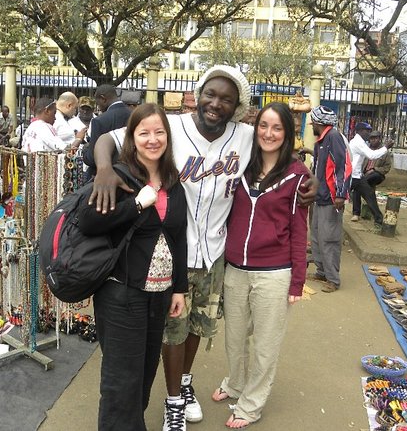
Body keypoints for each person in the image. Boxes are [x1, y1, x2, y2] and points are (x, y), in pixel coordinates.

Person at [90, 65, 317, 431]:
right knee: (172, 330)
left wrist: (313, 180)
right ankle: (173, 401)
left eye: (226, 99)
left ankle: (183, 384)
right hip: (170, 252)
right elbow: (108, 140)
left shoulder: (244, 135)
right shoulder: (171, 127)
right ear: (198, 93)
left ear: (237, 106)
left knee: (198, 327)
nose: (215, 103)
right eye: (210, 94)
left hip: (215, 253)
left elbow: (285, 154)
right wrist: (103, 168)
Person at [77, 103, 188, 431]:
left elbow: (179, 236)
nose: (152, 140)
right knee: (120, 382)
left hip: (158, 296)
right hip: (121, 292)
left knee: (142, 376)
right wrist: (137, 204)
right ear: (132, 137)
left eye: (159, 132)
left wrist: (179, 287)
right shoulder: (120, 174)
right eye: (144, 133)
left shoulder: (172, 179)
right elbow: (88, 221)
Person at [212, 102, 309, 428]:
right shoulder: (239, 167)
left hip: (274, 273)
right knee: (235, 337)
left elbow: (299, 230)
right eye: (263, 126)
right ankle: (236, 383)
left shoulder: (297, 177)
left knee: (266, 345)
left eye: (277, 128)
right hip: (235, 269)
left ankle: (251, 405)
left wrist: (298, 280)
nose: (268, 133)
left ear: (287, 134)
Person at [309, 105, 352, 293]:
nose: (311, 125)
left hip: (331, 197)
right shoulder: (322, 140)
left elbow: (343, 166)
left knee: (329, 238)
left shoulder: (333, 137)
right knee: (317, 235)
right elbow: (322, 165)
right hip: (320, 196)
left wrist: (341, 194)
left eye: (313, 122)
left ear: (319, 122)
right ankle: (321, 271)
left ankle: (333, 279)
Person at [83, 84, 132, 177]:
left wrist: (84, 151)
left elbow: (93, 158)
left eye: (98, 103)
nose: (98, 107)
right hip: (131, 174)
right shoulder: (134, 115)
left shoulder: (99, 121)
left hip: (107, 176)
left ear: (103, 99)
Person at [349, 122, 393, 226]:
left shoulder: (360, 141)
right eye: (367, 131)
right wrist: (386, 147)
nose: (368, 134)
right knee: (347, 196)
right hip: (353, 175)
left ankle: (378, 219)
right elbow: (371, 155)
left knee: (369, 194)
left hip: (357, 175)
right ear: (359, 131)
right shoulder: (358, 142)